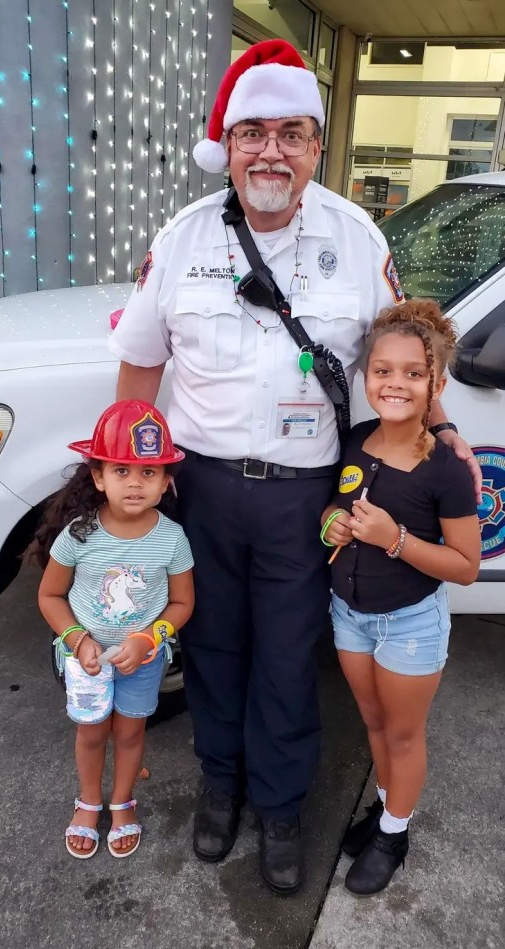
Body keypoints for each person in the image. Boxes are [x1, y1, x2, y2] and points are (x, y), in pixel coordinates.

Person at [108, 39, 481, 893]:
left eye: (291, 134)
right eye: (253, 133)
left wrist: (444, 424)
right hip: (201, 487)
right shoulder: (184, 236)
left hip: (307, 494)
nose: (270, 151)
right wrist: (134, 479)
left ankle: (279, 806)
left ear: (317, 146)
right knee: (211, 643)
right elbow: (140, 362)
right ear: (228, 145)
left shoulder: (355, 236)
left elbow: (405, 351)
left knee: (285, 655)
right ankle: (221, 783)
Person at [321, 300, 480, 896]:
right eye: (383, 370)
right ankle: (387, 807)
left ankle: (394, 835)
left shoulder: (446, 469)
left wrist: (396, 539)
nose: (396, 383)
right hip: (349, 615)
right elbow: (332, 506)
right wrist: (331, 525)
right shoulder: (355, 441)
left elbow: (465, 566)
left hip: (409, 623)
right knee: (374, 721)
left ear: (436, 385)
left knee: (404, 733)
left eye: (415, 373)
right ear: (366, 377)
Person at [30, 400, 194, 860]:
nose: (135, 483)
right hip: (85, 660)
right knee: (91, 733)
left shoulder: (172, 538)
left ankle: (122, 802)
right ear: (99, 477)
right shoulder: (79, 535)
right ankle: (88, 801)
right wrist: (77, 639)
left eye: (148, 472)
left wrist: (149, 638)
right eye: (121, 471)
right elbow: (50, 596)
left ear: (166, 480)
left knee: (130, 733)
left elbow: (183, 603)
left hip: (143, 660)